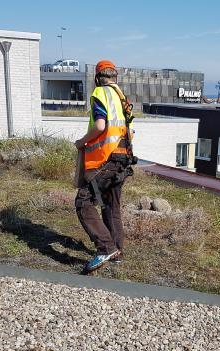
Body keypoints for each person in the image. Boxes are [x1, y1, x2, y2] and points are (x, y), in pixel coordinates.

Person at [74, 60, 134, 273]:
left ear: (98, 78)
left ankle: (106, 248)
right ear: (115, 77)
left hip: (105, 159)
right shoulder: (122, 98)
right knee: (111, 205)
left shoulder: (101, 93)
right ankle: (116, 251)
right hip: (124, 159)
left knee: (83, 202)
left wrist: (82, 142)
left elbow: (101, 125)